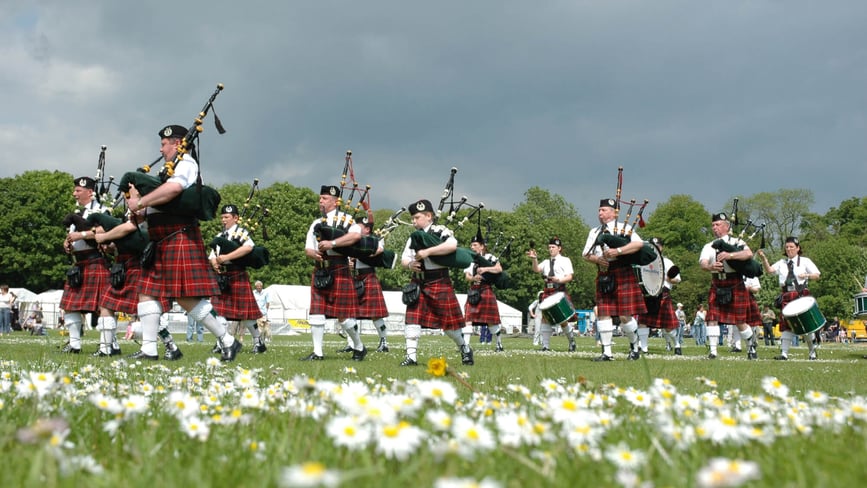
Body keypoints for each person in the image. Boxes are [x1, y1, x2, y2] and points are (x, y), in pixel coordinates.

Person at [125, 124, 240, 361]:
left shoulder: (186, 164)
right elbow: (156, 205)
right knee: (146, 292)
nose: (160, 149)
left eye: (164, 144)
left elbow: (173, 190)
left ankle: (227, 340)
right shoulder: (165, 172)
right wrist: (137, 205)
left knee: (185, 296)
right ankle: (149, 348)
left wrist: (141, 201)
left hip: (179, 236)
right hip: (160, 239)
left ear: (177, 143)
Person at [91, 214, 182, 359]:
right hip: (123, 265)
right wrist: (112, 246)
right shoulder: (130, 209)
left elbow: (132, 229)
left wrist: (103, 237)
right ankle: (106, 348)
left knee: (148, 313)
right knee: (105, 303)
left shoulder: (142, 206)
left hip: (139, 264)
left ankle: (171, 346)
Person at [399, 198, 473, 366]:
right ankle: (411, 357)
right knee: (412, 319)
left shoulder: (440, 230)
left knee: (449, 325)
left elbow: (452, 245)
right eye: (412, 218)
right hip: (418, 282)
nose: (413, 221)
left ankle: (465, 348)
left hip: (439, 280)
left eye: (417, 217)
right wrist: (410, 264)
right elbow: (404, 258)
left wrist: (427, 252)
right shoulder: (414, 237)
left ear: (429, 216)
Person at [302, 185, 366, 361]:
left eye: (325, 199)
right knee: (316, 311)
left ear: (335, 201)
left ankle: (359, 346)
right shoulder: (316, 223)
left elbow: (356, 236)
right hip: (321, 268)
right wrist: (314, 253)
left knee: (343, 316)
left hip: (339, 268)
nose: (320, 201)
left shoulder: (347, 220)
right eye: (320, 198)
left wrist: (333, 244)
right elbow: (308, 248)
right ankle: (317, 352)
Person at [582, 198, 647, 361]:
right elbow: (585, 254)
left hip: (622, 271)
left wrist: (618, 250)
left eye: (603, 210)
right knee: (603, 313)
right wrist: (597, 260)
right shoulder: (594, 232)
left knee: (625, 315)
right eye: (599, 210)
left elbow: (639, 244)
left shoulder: (623, 229)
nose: (600, 213)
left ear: (614, 212)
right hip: (604, 274)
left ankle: (634, 346)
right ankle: (607, 353)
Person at [698, 212, 760, 360]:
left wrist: (730, 255)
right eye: (713, 225)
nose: (714, 228)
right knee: (712, 317)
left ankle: (751, 346)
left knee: (739, 321)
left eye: (718, 225)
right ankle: (713, 351)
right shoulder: (709, 246)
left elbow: (748, 254)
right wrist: (711, 266)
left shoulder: (735, 242)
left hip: (735, 283)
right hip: (717, 282)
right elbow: (703, 263)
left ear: (726, 226)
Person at [60, 176, 111, 354]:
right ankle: (74, 344)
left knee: (103, 306)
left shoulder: (102, 210)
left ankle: (108, 346)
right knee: (70, 305)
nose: (74, 194)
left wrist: (80, 235)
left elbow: (106, 232)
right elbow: (75, 237)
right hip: (79, 264)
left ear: (90, 192)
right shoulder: (79, 213)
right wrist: (68, 244)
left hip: (96, 261)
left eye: (78, 191)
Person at [209, 204, 267, 354]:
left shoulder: (241, 233)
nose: (223, 220)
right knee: (218, 312)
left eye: (227, 217)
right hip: (223, 276)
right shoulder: (220, 236)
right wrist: (214, 262)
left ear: (236, 218)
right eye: (222, 217)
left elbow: (248, 248)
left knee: (244, 314)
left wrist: (226, 257)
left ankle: (258, 341)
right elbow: (212, 255)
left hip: (237, 274)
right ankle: (221, 342)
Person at [757, 236, 821, 360]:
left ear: (798, 248)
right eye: (787, 247)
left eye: (792, 247)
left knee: (806, 324)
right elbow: (770, 270)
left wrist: (806, 274)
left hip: (801, 294)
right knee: (787, 324)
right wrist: (764, 259)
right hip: (786, 295)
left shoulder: (805, 261)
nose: (789, 249)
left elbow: (817, 275)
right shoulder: (782, 263)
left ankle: (812, 352)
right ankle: (784, 354)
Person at [528, 237, 577, 352]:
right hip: (547, 291)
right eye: (549, 247)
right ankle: (545, 346)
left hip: (559, 290)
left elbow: (569, 276)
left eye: (553, 247)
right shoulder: (545, 262)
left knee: (562, 319)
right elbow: (536, 269)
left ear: (559, 248)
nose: (551, 249)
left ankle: (572, 341)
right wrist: (534, 259)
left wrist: (558, 280)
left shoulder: (565, 260)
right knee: (545, 317)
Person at [636, 238, 683, 356]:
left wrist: (668, 279)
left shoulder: (667, 262)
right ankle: (644, 348)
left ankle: (677, 344)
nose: (655, 248)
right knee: (643, 322)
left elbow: (677, 279)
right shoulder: (643, 261)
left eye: (657, 246)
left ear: (661, 247)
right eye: (653, 245)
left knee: (668, 326)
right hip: (647, 293)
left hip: (663, 293)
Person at [351, 217, 392, 353]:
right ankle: (352, 344)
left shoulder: (376, 239)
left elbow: (379, 250)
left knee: (375, 314)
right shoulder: (352, 239)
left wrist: (361, 254)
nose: (356, 228)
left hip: (368, 276)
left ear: (367, 229)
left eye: (359, 226)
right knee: (350, 313)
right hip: (354, 276)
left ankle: (384, 341)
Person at [462, 231, 505, 352]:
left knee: (491, 321)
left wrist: (485, 268)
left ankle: (499, 344)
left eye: (475, 245)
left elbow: (499, 269)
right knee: (468, 318)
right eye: (471, 245)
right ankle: (465, 346)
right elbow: (467, 276)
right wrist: (473, 278)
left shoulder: (489, 258)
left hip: (486, 290)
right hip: (474, 291)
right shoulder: (469, 259)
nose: (472, 247)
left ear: (482, 246)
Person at [731, 276, 762, 352]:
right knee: (735, 323)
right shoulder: (734, 272)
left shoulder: (752, 274)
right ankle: (737, 346)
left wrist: (748, 288)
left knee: (751, 323)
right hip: (735, 297)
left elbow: (756, 289)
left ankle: (752, 343)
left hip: (748, 298)